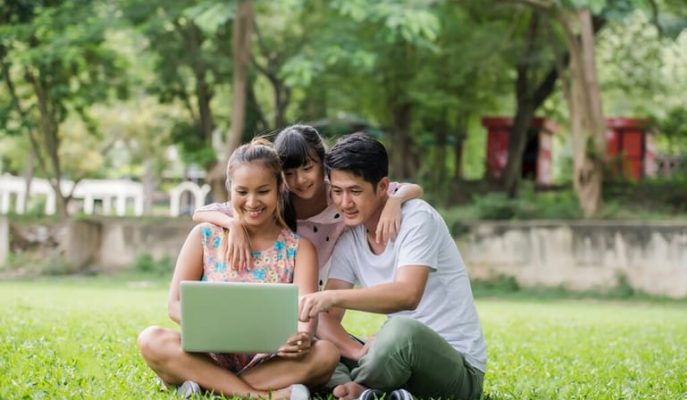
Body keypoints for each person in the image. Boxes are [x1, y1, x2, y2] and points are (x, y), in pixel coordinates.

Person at [137, 139, 340, 399]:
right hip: (209, 355)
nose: (252, 202)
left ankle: (204, 386)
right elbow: (174, 305)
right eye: (242, 192)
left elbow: (305, 316)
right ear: (230, 189)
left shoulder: (299, 249)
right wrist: (214, 327)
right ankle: (261, 396)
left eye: (263, 191)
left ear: (280, 187)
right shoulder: (204, 236)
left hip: (270, 361)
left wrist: (301, 338)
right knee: (151, 339)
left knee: (326, 354)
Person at [298, 133, 488, 400]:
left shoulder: (418, 218)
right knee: (314, 341)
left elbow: (407, 295)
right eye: (337, 192)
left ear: (383, 186)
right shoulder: (350, 239)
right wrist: (355, 350)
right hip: (390, 357)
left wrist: (329, 297)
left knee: (400, 332)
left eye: (355, 191)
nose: (344, 203)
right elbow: (327, 317)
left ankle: (357, 387)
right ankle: (373, 390)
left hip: (456, 369)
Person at [193, 124, 423, 287]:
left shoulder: (339, 195)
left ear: (323, 162)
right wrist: (233, 223)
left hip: (328, 282)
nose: (299, 180)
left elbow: (411, 188)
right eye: (289, 173)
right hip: (292, 286)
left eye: (307, 168)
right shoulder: (277, 202)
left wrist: (395, 200)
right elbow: (200, 212)